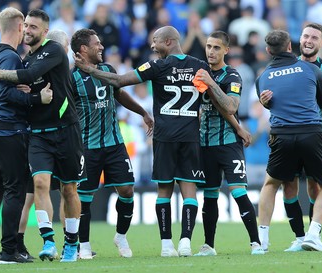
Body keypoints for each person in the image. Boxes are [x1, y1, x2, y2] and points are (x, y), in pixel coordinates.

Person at [74, 26, 211, 257]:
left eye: (155, 41)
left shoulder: (156, 66)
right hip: (189, 135)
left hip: (165, 136)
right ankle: (185, 241)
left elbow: (119, 81)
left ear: (167, 42)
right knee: (189, 190)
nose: (151, 46)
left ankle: (166, 245)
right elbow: (208, 98)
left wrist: (89, 70)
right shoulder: (200, 66)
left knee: (163, 190)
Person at [0, 9, 86, 262]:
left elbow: (29, 77)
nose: (28, 30)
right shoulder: (25, 59)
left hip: (66, 131)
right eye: (27, 26)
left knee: (69, 190)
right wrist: (26, 90)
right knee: (40, 184)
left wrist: (0, 73)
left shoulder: (53, 50)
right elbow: (25, 81)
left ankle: (72, 244)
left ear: (44, 32)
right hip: (39, 134)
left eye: (34, 27)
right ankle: (48, 241)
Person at [259, 22, 322, 252]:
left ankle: (313, 234)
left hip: (315, 133)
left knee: (314, 187)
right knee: (288, 187)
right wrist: (264, 102)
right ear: (298, 40)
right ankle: (300, 237)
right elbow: (270, 102)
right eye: (306, 36)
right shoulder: (291, 64)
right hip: (300, 134)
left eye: (314, 38)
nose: (309, 41)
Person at [70, 28, 154, 259]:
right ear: (83, 49)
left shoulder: (108, 70)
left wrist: (142, 112)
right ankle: (84, 245)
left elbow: (118, 94)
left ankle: (121, 236)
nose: (101, 47)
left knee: (127, 190)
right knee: (85, 197)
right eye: (97, 43)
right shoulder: (72, 77)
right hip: (87, 146)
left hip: (115, 143)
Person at [0, 7, 52, 264]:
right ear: (20, 27)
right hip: (8, 129)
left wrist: (22, 89)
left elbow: (2, 91)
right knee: (14, 191)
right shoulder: (10, 57)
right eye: (26, 27)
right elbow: (6, 95)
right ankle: (8, 251)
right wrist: (35, 97)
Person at [192, 30, 265, 256]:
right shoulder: (199, 74)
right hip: (204, 144)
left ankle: (256, 243)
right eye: (208, 46)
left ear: (226, 50)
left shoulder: (232, 76)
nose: (211, 51)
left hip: (228, 144)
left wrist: (211, 84)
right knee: (210, 195)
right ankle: (209, 246)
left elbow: (231, 106)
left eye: (216, 47)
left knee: (237, 191)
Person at [16, 29, 69, 260]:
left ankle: (70, 241)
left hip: (58, 134)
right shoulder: (31, 64)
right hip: (41, 136)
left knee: (60, 190)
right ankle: (53, 241)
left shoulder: (29, 64)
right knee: (46, 188)